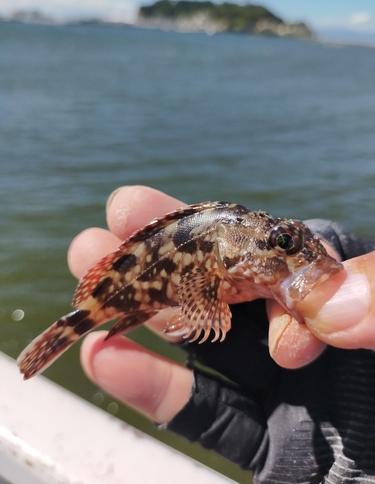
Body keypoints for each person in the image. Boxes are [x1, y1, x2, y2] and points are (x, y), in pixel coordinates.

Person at [68, 185, 375, 483]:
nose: (290, 250)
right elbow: (194, 286)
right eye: (283, 242)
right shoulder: (220, 248)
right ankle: (70, 327)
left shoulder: (238, 246)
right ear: (237, 248)